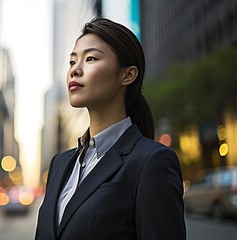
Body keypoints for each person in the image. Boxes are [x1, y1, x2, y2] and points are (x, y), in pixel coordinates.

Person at [35, 17, 186, 240]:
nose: (75, 70)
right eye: (72, 62)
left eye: (91, 58)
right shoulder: (60, 164)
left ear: (127, 75)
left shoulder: (152, 161)